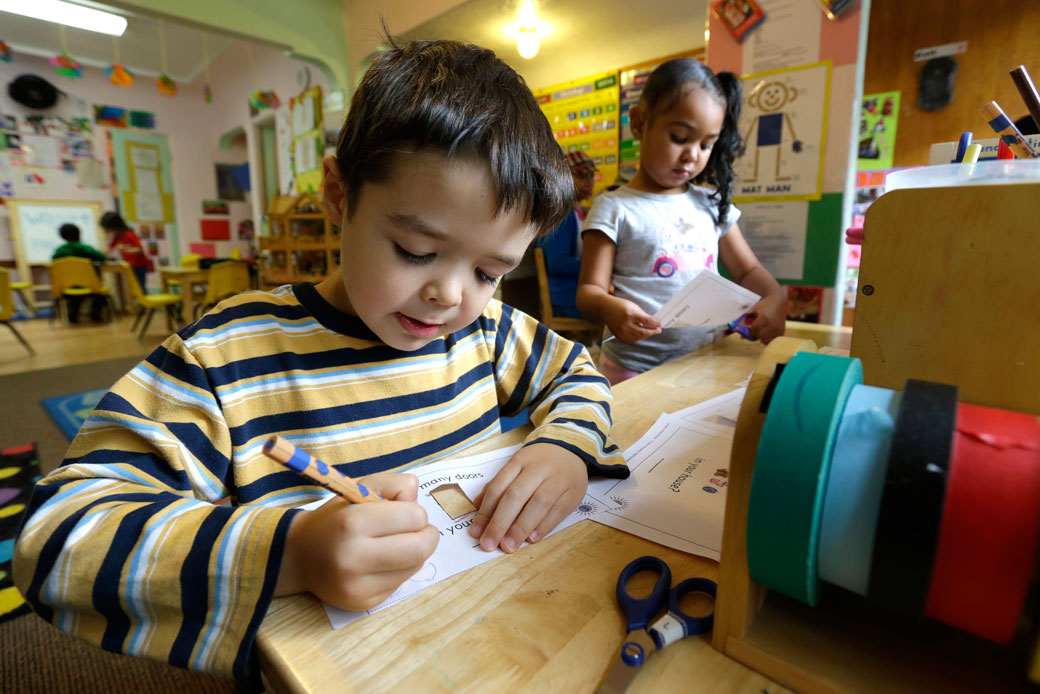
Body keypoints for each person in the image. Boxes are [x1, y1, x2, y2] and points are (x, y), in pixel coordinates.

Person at [14, 38, 627, 685]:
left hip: (490, 648)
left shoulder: (488, 332)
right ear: (339, 195)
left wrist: (566, 446)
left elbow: (577, 371)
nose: (450, 295)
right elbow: (54, 542)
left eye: (488, 270)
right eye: (416, 250)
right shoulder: (225, 356)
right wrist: (292, 555)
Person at [576, 58, 786, 385]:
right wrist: (609, 308)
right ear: (640, 123)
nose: (693, 155)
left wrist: (775, 297)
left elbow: (748, 271)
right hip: (634, 371)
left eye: (706, 144)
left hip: (707, 361)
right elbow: (589, 291)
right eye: (679, 137)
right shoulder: (614, 207)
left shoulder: (711, 204)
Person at [536, 151, 598, 319]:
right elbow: (558, 263)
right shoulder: (561, 215)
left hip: (575, 292)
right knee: (613, 313)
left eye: (591, 176)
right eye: (582, 176)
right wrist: (598, 267)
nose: (589, 182)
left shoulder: (578, 213)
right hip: (565, 297)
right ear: (562, 178)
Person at [51, 223, 108, 323]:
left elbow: (54, 264)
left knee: (74, 296)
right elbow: (102, 258)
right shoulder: (86, 248)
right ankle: (95, 314)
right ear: (79, 234)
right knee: (100, 294)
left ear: (62, 236)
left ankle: (72, 314)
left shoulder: (59, 251)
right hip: (91, 286)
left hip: (68, 287)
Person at [100, 211, 152, 291]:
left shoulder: (129, 234)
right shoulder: (117, 237)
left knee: (140, 287)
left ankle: (143, 303)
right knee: (132, 288)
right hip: (130, 266)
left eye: (107, 228)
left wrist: (125, 250)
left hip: (139, 265)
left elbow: (139, 250)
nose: (106, 230)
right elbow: (108, 249)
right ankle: (137, 302)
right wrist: (99, 255)